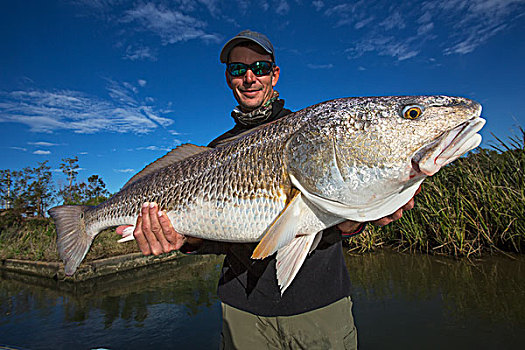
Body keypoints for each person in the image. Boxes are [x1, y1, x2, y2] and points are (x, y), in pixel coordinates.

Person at [117, 30, 417, 349]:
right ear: (228, 78)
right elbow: (218, 236)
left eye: (259, 67)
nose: (249, 77)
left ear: (274, 74)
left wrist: (354, 221)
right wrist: (183, 239)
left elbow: (335, 216)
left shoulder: (309, 130)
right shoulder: (215, 151)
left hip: (319, 307)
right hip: (243, 310)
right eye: (237, 69)